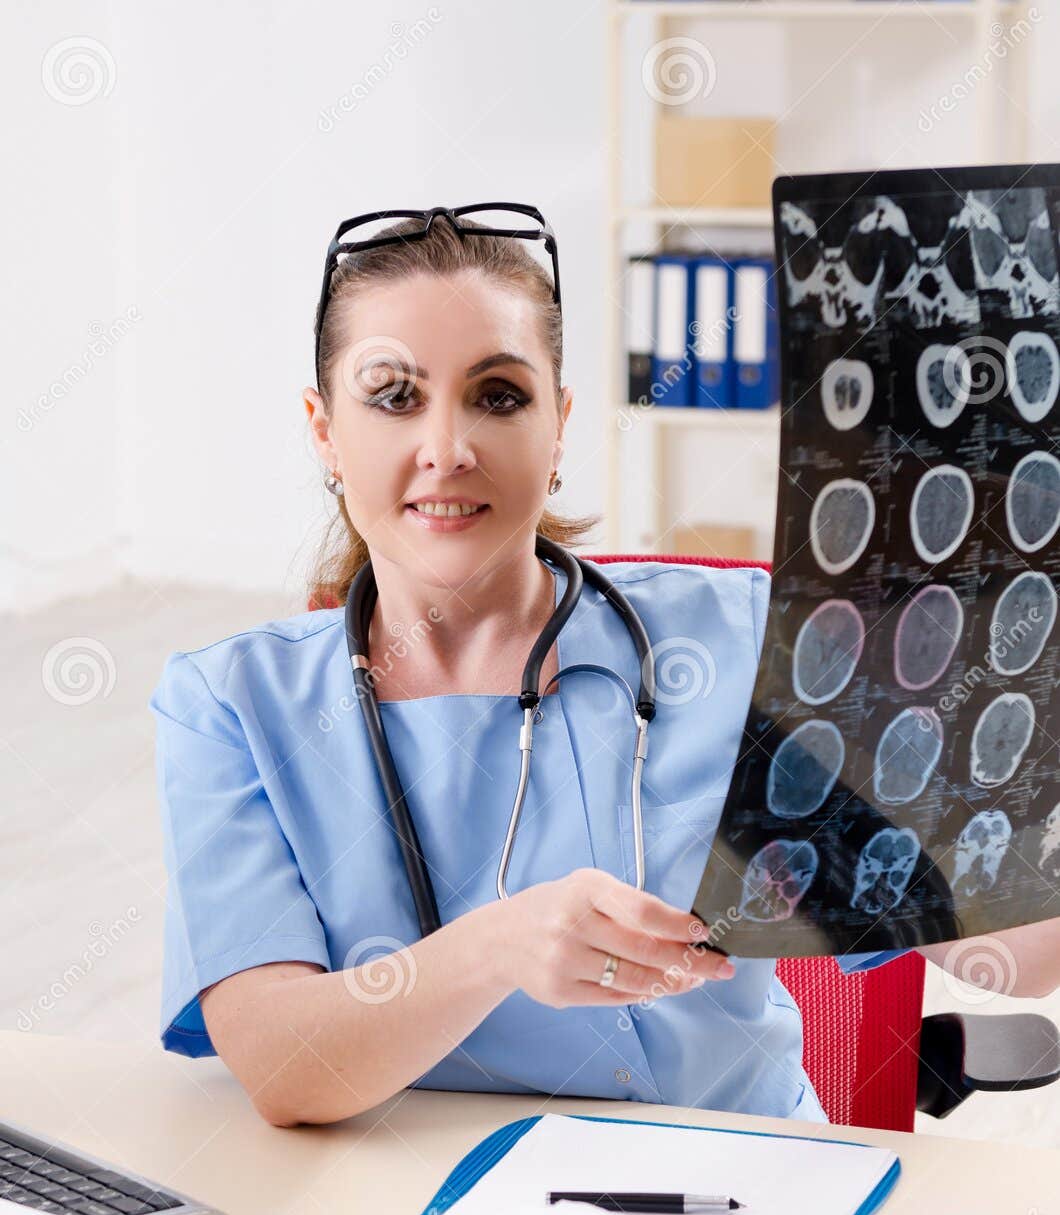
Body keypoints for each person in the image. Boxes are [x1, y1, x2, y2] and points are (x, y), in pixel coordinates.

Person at [149, 209, 1059, 1129]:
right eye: (393, 397)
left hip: (749, 1182)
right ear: (324, 433)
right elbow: (282, 1068)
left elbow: (1019, 953)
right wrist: (500, 947)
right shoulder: (230, 706)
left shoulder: (744, 639)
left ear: (558, 427)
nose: (447, 448)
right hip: (422, 1195)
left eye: (498, 395)